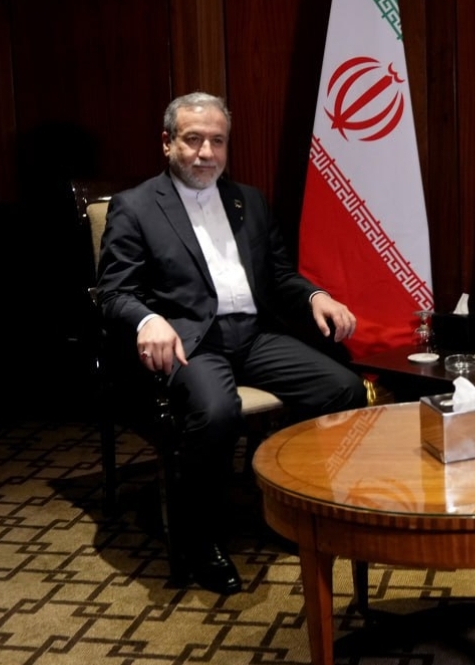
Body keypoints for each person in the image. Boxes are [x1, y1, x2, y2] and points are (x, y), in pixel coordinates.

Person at [97, 92, 368, 595]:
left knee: (343, 388)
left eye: (217, 141)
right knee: (216, 411)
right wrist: (148, 320)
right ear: (167, 142)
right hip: (191, 341)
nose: (206, 153)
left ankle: (288, 506)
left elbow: (280, 275)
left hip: (254, 334)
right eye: (193, 139)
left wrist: (316, 296)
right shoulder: (135, 206)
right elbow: (114, 293)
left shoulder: (250, 200)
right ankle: (199, 538)